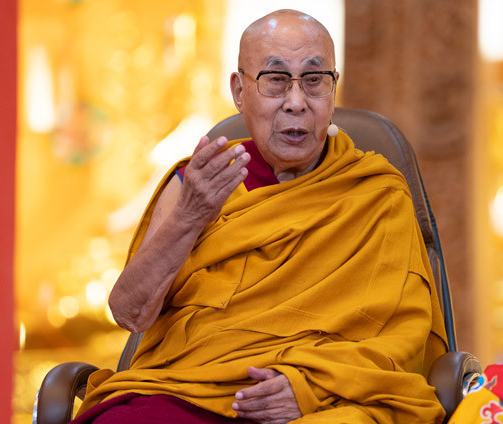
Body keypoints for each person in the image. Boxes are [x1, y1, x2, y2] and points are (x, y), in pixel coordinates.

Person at [72, 9, 447, 424]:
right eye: (275, 80)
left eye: (314, 79)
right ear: (239, 90)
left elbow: (402, 338)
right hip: (190, 391)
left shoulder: (375, 192)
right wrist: (189, 217)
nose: (297, 102)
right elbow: (130, 313)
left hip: (325, 398)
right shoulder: (197, 184)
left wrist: (312, 387)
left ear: (333, 88)